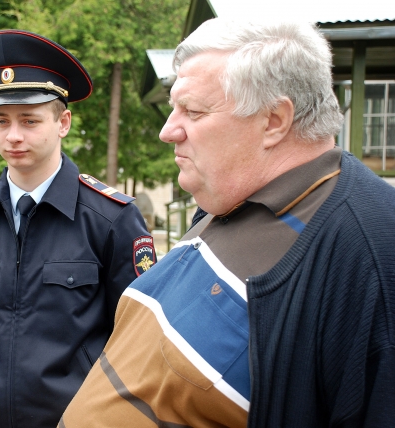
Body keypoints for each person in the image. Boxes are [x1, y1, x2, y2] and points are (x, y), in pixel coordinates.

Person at [60, 19, 395, 427]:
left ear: (274, 120)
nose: (168, 131)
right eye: (173, 108)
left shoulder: (371, 248)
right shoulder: (229, 197)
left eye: (193, 111)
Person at [0, 30, 155, 428]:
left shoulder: (111, 219)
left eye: (29, 120)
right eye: (0, 120)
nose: (13, 136)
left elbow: (136, 343)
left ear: (63, 122)